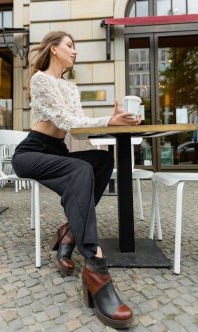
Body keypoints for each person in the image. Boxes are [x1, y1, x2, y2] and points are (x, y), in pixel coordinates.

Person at [12, 31, 141, 329]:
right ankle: (95, 269)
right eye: (70, 45)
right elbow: (64, 121)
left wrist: (113, 121)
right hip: (32, 152)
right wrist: (107, 121)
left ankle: (70, 230)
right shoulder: (41, 80)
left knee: (101, 160)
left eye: (75, 47)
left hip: (58, 150)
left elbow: (76, 130)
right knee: (80, 170)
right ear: (53, 49)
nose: (75, 52)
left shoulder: (71, 87)